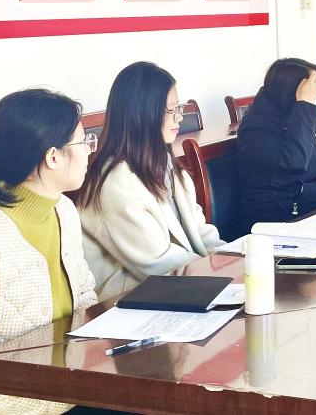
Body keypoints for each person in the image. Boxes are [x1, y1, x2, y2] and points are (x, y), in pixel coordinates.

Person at [0, 89, 97, 414]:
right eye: (84, 142)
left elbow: (85, 296)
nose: (90, 151)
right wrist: (51, 397)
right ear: (53, 157)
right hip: (8, 404)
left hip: (68, 390)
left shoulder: (64, 210)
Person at [78, 62, 223, 301]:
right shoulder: (118, 183)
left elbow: (200, 231)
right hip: (127, 301)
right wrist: (221, 275)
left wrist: (230, 257)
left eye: (179, 108)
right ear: (142, 115)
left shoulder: (165, 164)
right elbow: (158, 263)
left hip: (175, 286)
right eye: (171, 110)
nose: (179, 117)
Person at [237, 58, 316, 229]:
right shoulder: (256, 129)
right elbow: (294, 162)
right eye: (314, 92)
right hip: (279, 217)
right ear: (293, 94)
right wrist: (304, 107)